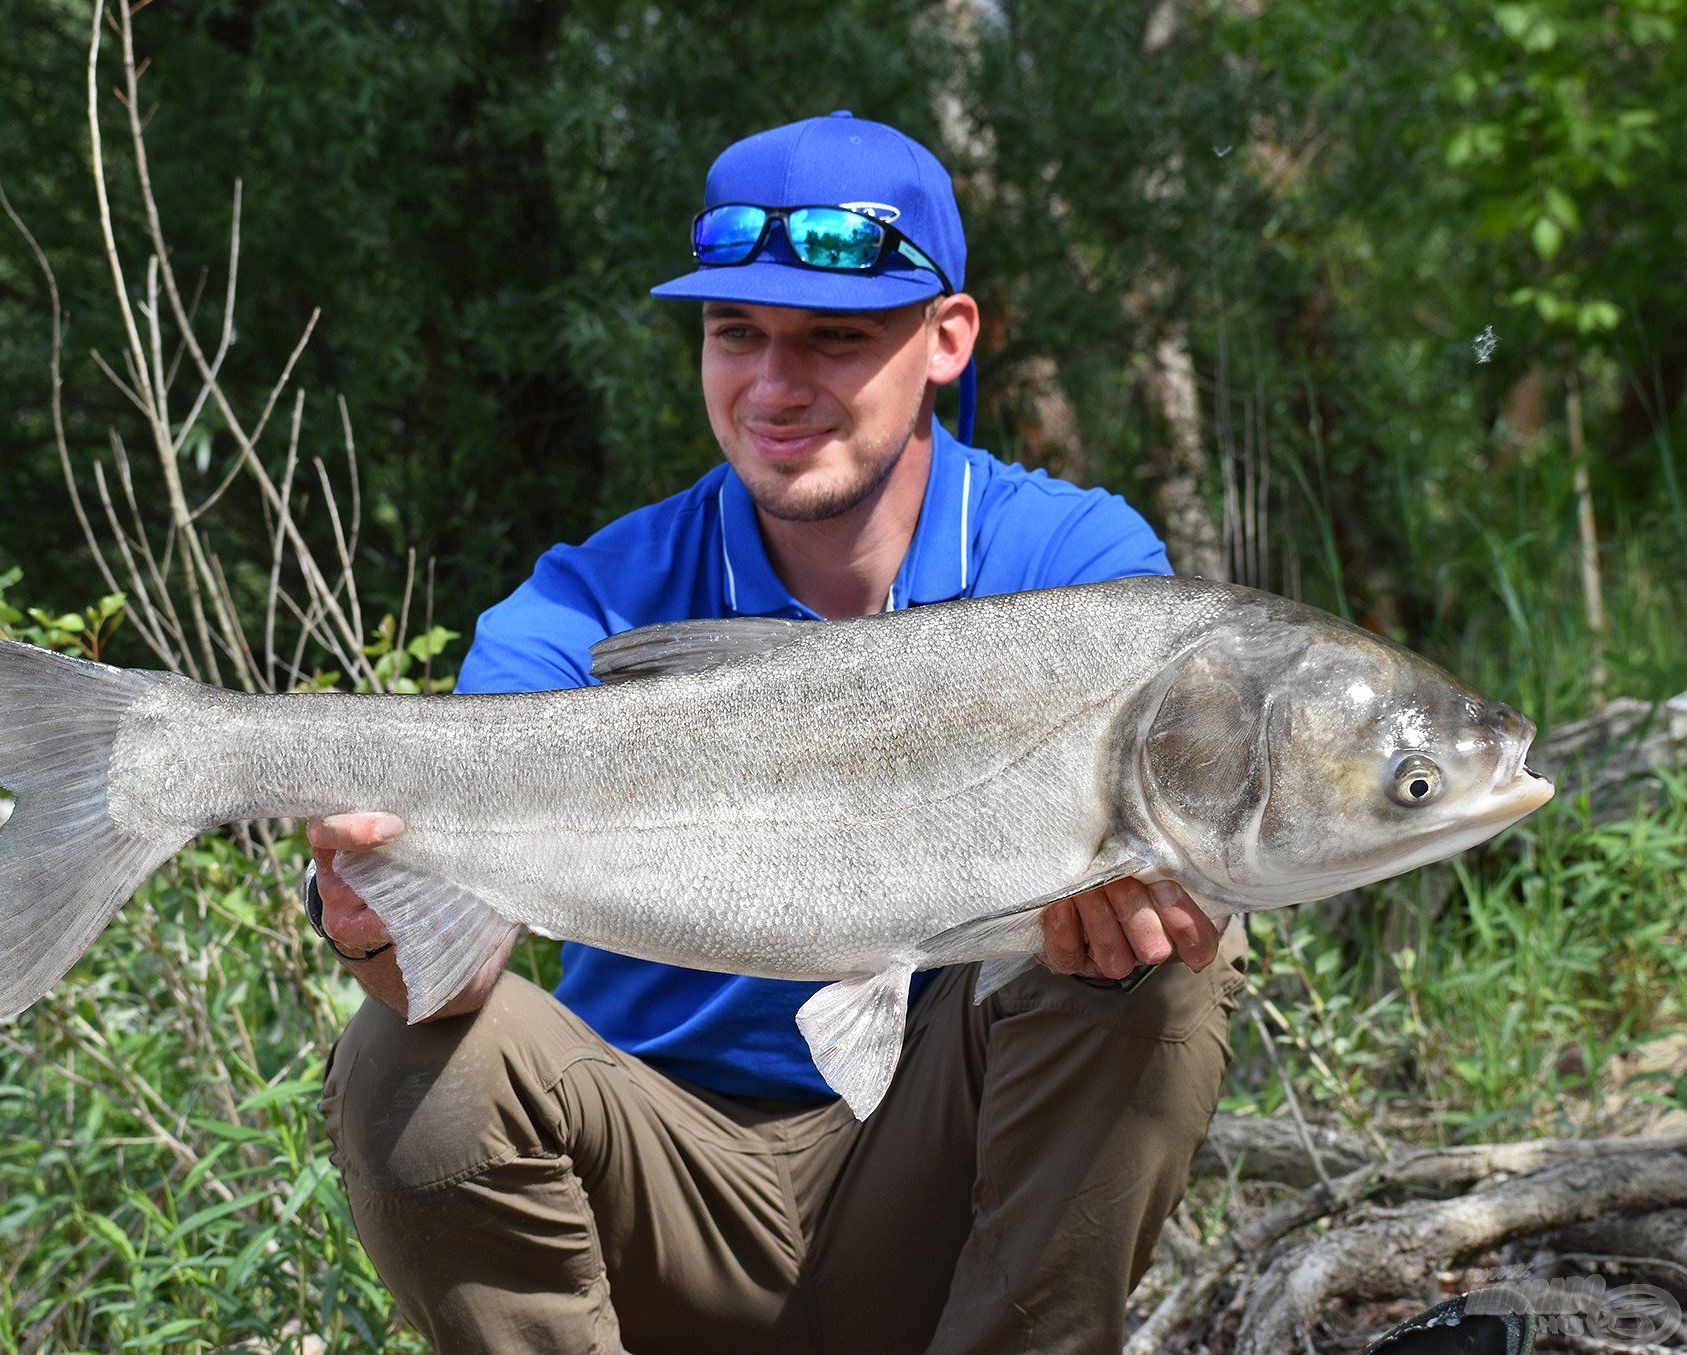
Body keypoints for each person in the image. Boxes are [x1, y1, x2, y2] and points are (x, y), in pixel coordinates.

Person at [309, 111, 1244, 1355]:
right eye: (734, 332)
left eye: (834, 339)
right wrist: (377, 929)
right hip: (655, 1193)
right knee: (404, 1054)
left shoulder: (1075, 574)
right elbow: (453, 974)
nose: (772, 386)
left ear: (947, 338)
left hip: (942, 1194)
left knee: (1159, 971)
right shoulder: (584, 605)